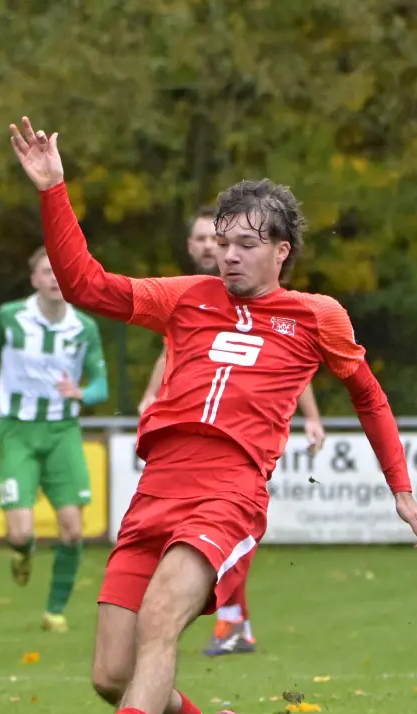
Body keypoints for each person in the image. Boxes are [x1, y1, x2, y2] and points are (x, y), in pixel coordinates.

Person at [6, 118, 417, 714]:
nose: (228, 256)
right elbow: (85, 285)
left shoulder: (317, 316)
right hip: (156, 489)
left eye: (245, 245)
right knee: (112, 673)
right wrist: (53, 189)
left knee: (160, 621)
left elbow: (370, 397)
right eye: (221, 243)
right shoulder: (187, 297)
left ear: (281, 251)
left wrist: (403, 491)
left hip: (228, 494)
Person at [136, 208, 328, 656]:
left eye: (218, 239)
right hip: (184, 431)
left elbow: (289, 362)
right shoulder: (188, 295)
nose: (213, 247)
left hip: (237, 436)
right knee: (187, 535)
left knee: (222, 522)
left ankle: (232, 619)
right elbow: (169, 353)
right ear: (192, 246)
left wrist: (312, 417)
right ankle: (227, 620)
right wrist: (151, 395)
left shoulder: (261, 295)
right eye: (206, 240)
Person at [0, 246, 108, 634]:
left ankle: (55, 610)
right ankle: (22, 552)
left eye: (60, 271)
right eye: (46, 272)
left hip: (62, 432)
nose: (54, 278)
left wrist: (82, 393)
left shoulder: (83, 327)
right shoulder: (10, 317)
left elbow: (101, 385)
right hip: (17, 431)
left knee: (73, 529)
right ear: (34, 278)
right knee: (20, 532)